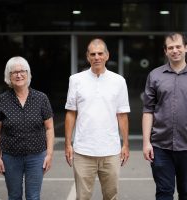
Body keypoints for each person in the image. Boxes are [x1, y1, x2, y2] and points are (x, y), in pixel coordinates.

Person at [142, 32, 187, 200]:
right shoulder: (155, 75)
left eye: (178, 46)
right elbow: (148, 110)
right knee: (164, 193)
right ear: (166, 51)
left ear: (186, 48)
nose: (175, 50)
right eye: (171, 47)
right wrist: (146, 142)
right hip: (160, 147)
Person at [64, 38, 130, 200]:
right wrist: (68, 144)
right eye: (92, 54)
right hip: (83, 151)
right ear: (87, 57)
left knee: (111, 196)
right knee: (82, 197)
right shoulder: (76, 80)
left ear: (107, 55)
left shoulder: (119, 81)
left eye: (100, 53)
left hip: (111, 151)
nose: (97, 57)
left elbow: (122, 115)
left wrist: (126, 144)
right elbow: (71, 113)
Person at [0, 56, 54, 200]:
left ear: (28, 73)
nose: (19, 75)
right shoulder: (2, 100)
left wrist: (49, 154)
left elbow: (49, 128)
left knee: (33, 197)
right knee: (14, 196)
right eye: (14, 72)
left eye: (22, 71)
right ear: (9, 76)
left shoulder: (41, 98)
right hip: (10, 157)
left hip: (37, 156)